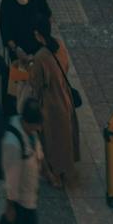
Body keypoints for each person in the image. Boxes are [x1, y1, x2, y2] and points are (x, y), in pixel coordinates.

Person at [0, 97, 45, 224]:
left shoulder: (30, 132)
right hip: (21, 198)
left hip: (28, 194)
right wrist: (10, 205)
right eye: (38, 124)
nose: (40, 128)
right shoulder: (12, 143)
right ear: (29, 122)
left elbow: (36, 151)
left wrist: (45, 170)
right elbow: (11, 178)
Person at [26, 38, 76, 188]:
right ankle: (62, 171)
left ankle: (53, 174)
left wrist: (28, 65)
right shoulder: (60, 45)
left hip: (50, 104)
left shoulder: (41, 57)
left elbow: (35, 82)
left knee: (49, 139)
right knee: (63, 138)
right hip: (64, 98)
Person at [0, 0, 53, 65]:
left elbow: (48, 15)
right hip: (18, 49)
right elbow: (5, 32)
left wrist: (43, 36)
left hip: (38, 46)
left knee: (39, 75)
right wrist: (16, 50)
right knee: (21, 77)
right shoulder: (7, 3)